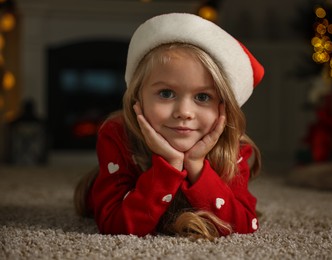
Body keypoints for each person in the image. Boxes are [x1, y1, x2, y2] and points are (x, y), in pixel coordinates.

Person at [74, 13, 265, 240]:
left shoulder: (233, 147)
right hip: (126, 180)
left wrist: (195, 165)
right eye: (166, 93)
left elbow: (245, 226)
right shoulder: (117, 134)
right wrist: (170, 165)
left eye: (203, 97)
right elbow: (115, 226)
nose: (184, 112)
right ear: (138, 98)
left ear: (222, 107)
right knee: (89, 196)